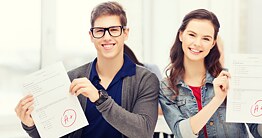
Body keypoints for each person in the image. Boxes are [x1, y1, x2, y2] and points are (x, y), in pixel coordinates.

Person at [15, 2, 159, 138]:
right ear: (91, 36)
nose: (107, 37)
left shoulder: (145, 80)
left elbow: (144, 132)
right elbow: (58, 134)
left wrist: (99, 98)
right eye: (100, 31)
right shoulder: (72, 79)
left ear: (125, 33)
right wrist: (31, 125)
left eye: (114, 30)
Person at [159, 9, 262, 138]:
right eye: (192, 35)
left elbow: (259, 132)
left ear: (213, 43)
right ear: (181, 35)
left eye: (206, 38)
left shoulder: (231, 79)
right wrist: (217, 99)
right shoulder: (167, 87)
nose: (197, 43)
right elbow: (182, 134)